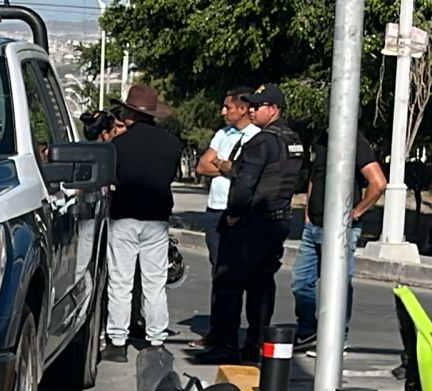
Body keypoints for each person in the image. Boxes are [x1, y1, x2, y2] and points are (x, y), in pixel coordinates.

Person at [194, 83, 304, 365]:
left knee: (228, 281)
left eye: (258, 106)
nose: (253, 110)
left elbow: (245, 183)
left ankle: (225, 345)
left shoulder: (262, 141)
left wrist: (233, 212)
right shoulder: (292, 140)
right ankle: (256, 344)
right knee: (261, 284)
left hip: (252, 222)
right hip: (277, 220)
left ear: (274, 109)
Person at [101, 84, 182, 363]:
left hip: (124, 218)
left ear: (130, 113)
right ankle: (156, 340)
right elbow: (168, 176)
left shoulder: (118, 146)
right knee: (155, 283)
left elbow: (109, 181)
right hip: (157, 220)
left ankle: (117, 341)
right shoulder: (172, 143)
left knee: (121, 282)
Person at [291, 127, 386, 352]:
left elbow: (378, 183)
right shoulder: (322, 138)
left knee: (337, 285)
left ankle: (336, 337)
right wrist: (307, 212)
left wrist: (356, 212)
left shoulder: (354, 139)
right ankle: (308, 332)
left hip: (340, 228)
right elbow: (316, 175)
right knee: (301, 282)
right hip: (314, 224)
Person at [193, 88, 259, 275]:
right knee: (217, 265)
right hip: (215, 209)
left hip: (239, 210)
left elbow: (244, 172)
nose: (223, 112)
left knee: (235, 269)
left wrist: (221, 163)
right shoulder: (223, 134)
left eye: (227, 107)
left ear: (243, 109)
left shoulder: (256, 136)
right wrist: (226, 166)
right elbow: (202, 166)